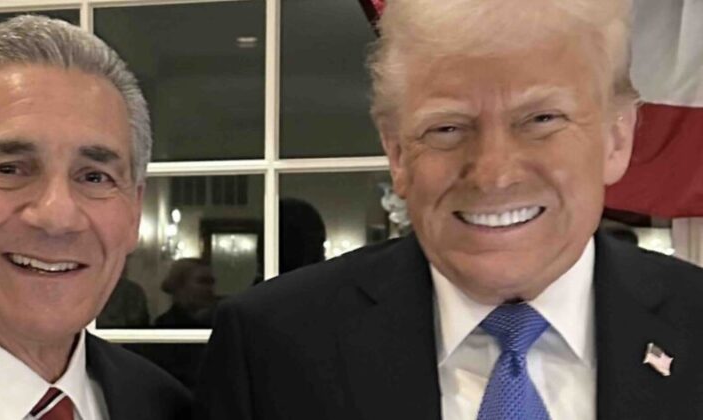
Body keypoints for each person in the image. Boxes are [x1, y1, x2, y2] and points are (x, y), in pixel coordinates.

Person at [195, 0, 703, 419]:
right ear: (397, 153)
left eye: (541, 119)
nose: (493, 174)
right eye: (447, 128)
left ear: (617, 138)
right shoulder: (272, 346)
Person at [0, 15, 190, 419]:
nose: (57, 216)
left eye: (94, 177)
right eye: (9, 169)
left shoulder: (168, 406)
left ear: (133, 214)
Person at [155, 258, 217, 329]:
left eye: (211, 282)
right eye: (202, 281)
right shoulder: (165, 324)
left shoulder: (218, 320)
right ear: (179, 285)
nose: (209, 288)